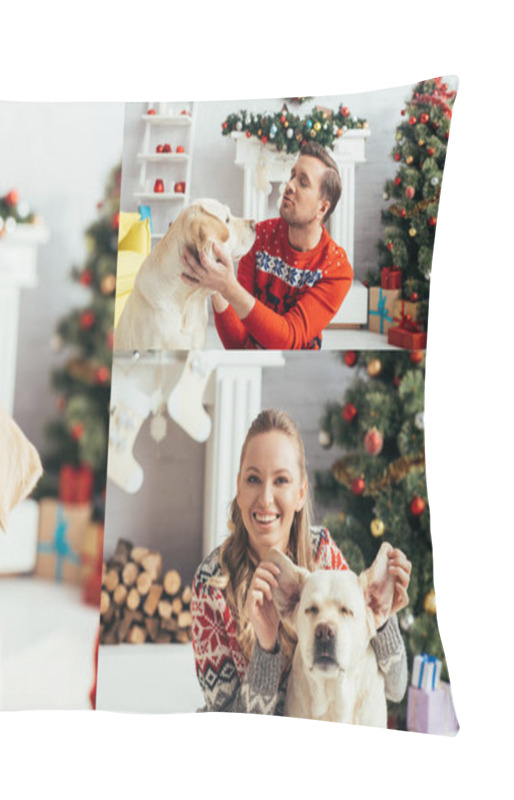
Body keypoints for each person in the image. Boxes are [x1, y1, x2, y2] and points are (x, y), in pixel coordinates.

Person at [191, 409, 410, 714]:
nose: (266, 498)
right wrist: (266, 650)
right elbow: (229, 727)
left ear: (301, 493)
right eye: (253, 479)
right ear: (238, 489)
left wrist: (383, 613)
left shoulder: (323, 552)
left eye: (281, 480)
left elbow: (397, 688)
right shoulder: (210, 584)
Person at [180, 141, 353, 349]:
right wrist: (216, 287)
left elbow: (289, 338)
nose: (289, 185)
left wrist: (227, 286)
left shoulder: (336, 268)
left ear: (322, 209)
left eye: (303, 182)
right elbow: (236, 343)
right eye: (292, 175)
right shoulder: (259, 236)